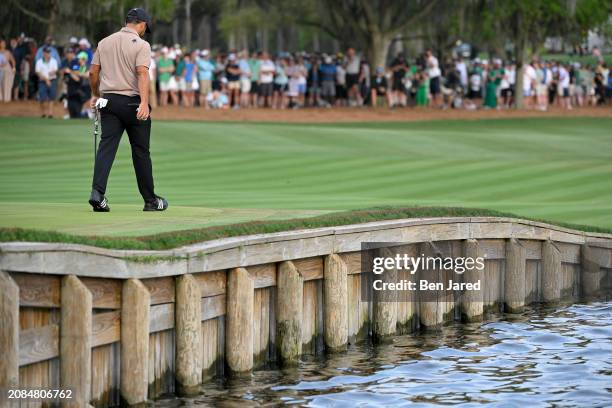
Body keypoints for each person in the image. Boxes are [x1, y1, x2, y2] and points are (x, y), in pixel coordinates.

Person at [89, 8, 168, 212]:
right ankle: (150, 200)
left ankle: (97, 194)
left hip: (109, 102)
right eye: (145, 27)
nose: (144, 31)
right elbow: (142, 73)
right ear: (141, 24)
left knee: (106, 147)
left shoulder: (104, 42)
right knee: (141, 152)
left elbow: (93, 72)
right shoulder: (142, 45)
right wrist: (144, 103)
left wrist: (96, 95)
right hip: (133, 103)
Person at [35, 47, 58, 117]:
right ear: (43, 53)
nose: (47, 54)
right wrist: (46, 80)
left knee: (51, 97)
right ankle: (43, 113)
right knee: (42, 98)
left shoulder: (54, 61)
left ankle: (50, 113)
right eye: (46, 52)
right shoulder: (39, 61)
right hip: (42, 81)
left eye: (48, 52)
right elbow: (38, 73)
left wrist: (51, 73)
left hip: (52, 80)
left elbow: (55, 70)